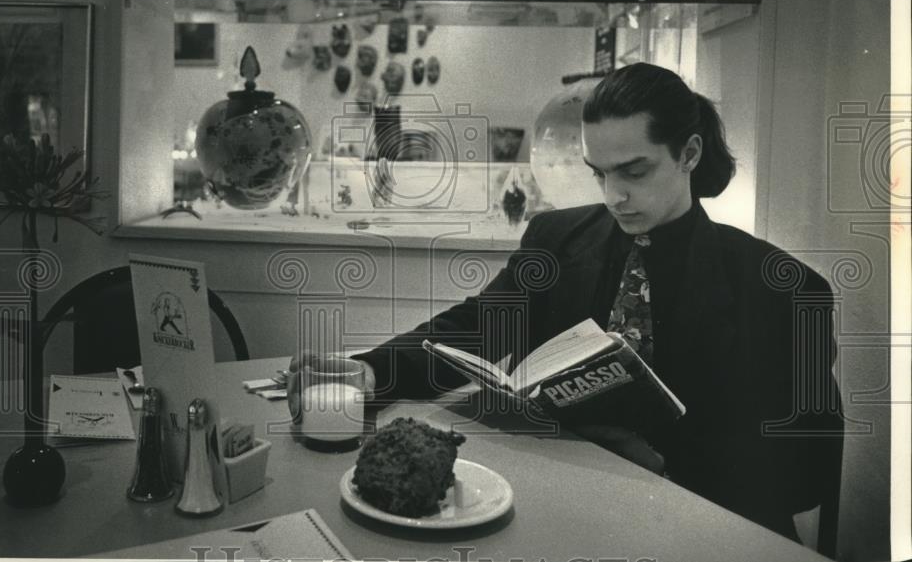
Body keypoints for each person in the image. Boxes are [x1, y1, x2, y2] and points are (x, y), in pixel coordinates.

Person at [293, 63, 843, 541]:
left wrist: (666, 464)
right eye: (599, 173)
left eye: (634, 171)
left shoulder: (783, 288)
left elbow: (808, 470)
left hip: (704, 525)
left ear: (689, 154)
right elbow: (481, 324)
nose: (613, 196)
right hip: (565, 503)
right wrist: (371, 370)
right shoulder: (558, 238)